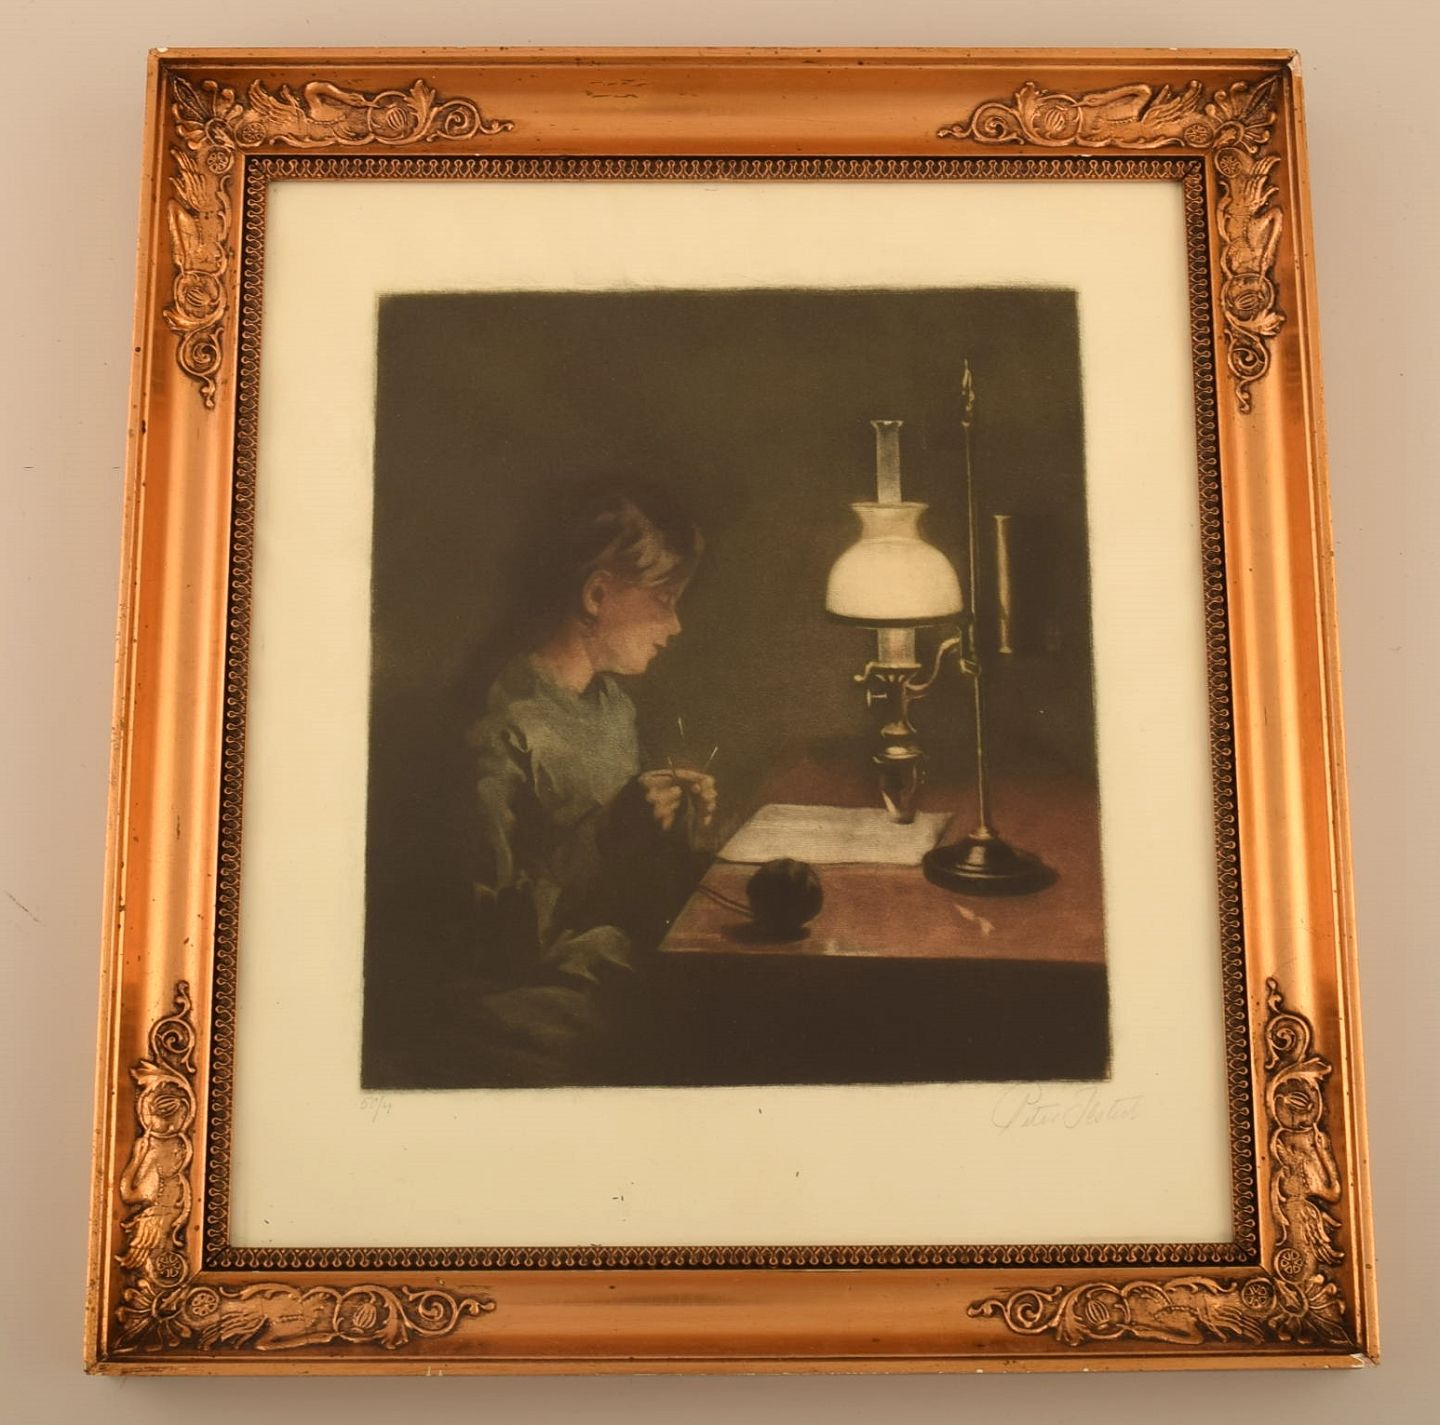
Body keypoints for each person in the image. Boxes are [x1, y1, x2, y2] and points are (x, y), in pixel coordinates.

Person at [448, 478, 716, 1086]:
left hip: (611, 966)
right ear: (597, 595)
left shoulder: (613, 709)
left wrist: (675, 828)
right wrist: (611, 834)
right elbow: (491, 936)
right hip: (527, 1001)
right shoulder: (502, 724)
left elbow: (627, 883)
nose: (676, 626)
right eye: (665, 600)